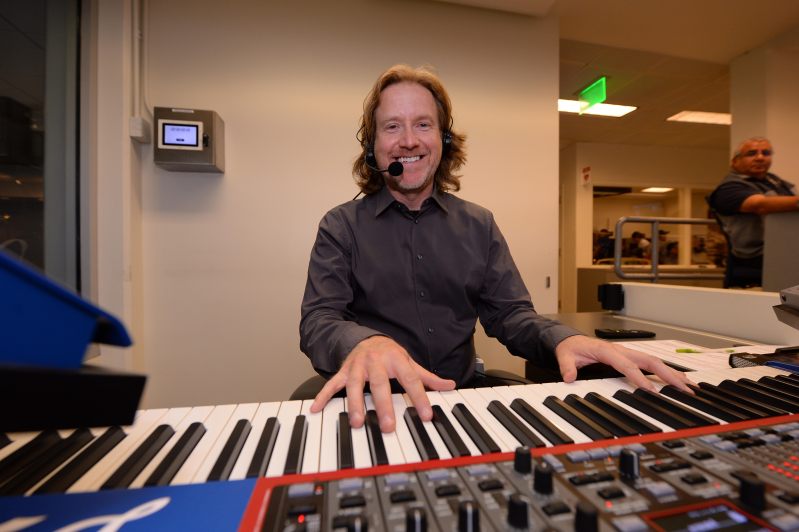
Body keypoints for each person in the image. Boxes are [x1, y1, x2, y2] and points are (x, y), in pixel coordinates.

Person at [300, 65, 692, 433]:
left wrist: (564, 339)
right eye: (392, 126)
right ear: (373, 145)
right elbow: (319, 320)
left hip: (459, 402)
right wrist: (366, 342)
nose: (408, 140)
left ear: (444, 139)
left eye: (423, 124)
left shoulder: (478, 224)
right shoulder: (341, 225)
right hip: (371, 405)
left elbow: (512, 316)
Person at [707, 137, 798, 288]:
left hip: (787, 256)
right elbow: (760, 205)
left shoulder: (777, 182)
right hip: (754, 263)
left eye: (766, 153)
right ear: (735, 161)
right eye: (751, 153)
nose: (760, 157)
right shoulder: (729, 189)